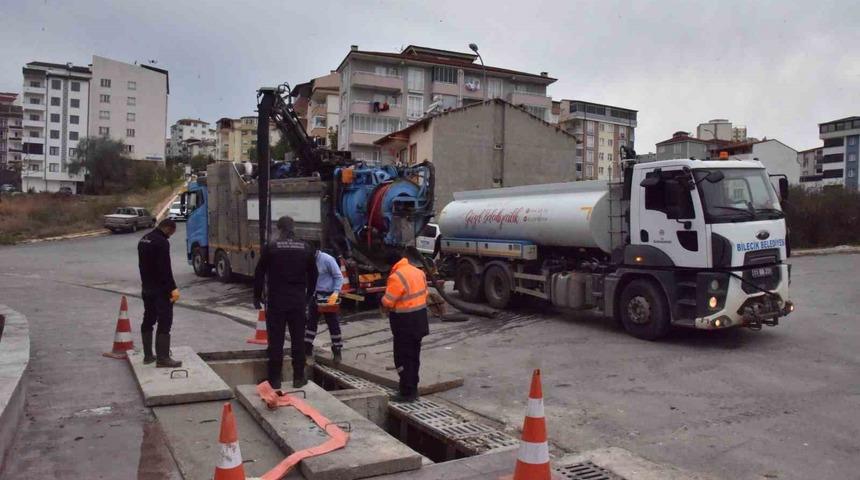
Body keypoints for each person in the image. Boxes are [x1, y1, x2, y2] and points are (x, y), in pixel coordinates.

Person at [253, 216, 317, 389]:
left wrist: (256, 296)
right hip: (297, 301)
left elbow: (259, 273)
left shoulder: (272, 247)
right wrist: (308, 297)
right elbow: (314, 275)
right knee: (298, 340)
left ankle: (275, 379)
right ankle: (298, 377)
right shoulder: (305, 248)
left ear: (279, 229)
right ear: (293, 227)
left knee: (276, 341)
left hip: (277, 300)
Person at [381, 247, 429, 402]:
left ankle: (406, 392)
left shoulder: (396, 276)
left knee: (402, 359)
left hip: (404, 324)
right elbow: (425, 293)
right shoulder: (418, 271)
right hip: (420, 320)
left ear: (391, 265)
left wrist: (380, 300)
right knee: (414, 357)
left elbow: (388, 302)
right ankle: (413, 388)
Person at [138, 218, 182, 368]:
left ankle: (148, 356)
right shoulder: (162, 242)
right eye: (171, 233)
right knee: (165, 321)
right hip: (161, 291)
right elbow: (165, 269)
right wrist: (172, 288)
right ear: (168, 229)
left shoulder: (144, 239)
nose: (170, 236)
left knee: (148, 319)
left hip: (147, 288)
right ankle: (163, 358)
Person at [305, 249, 344, 363]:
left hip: (328, 295)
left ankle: (337, 349)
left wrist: (336, 292)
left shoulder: (327, 260)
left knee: (333, 324)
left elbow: (338, 276)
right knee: (311, 323)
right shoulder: (309, 261)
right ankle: (307, 347)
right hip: (315, 295)